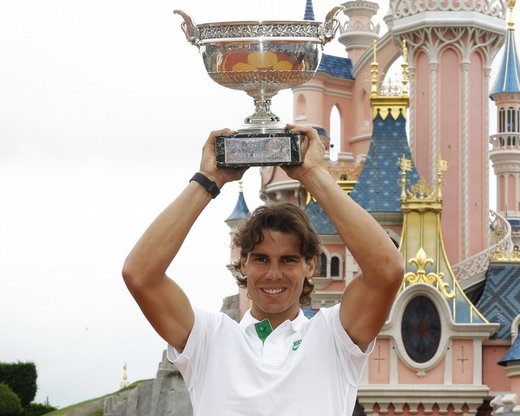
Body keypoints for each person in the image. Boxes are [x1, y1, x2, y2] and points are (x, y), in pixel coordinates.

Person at [122, 125, 404, 416]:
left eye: (288, 260)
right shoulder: (209, 339)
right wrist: (208, 180)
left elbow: (388, 269)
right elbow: (140, 274)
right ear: (243, 262)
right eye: (261, 259)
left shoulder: (335, 337)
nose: (273, 274)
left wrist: (313, 174)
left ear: (311, 265)